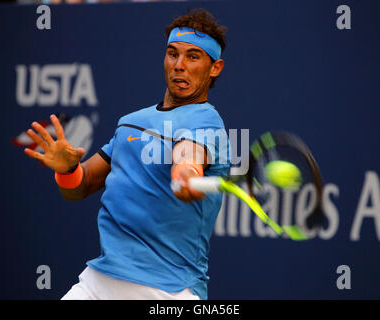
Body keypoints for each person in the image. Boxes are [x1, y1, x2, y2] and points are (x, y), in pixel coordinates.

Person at [24, 8, 229, 300]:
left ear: (215, 67)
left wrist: (187, 173)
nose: (179, 65)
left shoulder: (205, 121)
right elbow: (80, 188)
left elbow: (188, 156)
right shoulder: (131, 122)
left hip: (167, 290)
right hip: (99, 282)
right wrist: (68, 169)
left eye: (193, 56)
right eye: (173, 54)